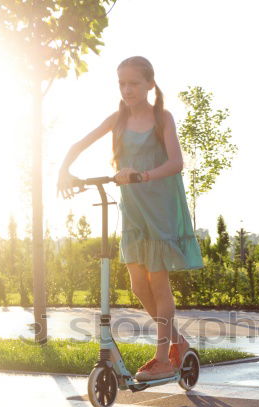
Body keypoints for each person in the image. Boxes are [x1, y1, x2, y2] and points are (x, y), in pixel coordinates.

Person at [57, 55, 204, 381]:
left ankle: (163, 358)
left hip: (158, 209)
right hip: (133, 211)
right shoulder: (118, 119)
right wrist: (64, 170)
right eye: (122, 83)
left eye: (134, 83)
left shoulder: (162, 118)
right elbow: (79, 143)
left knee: (158, 283)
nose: (127, 89)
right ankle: (178, 343)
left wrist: (143, 175)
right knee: (139, 286)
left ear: (150, 84)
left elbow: (177, 163)